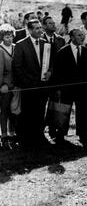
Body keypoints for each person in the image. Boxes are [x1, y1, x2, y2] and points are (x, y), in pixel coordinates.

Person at [13, 19, 53, 147]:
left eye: (40, 27)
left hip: (43, 86)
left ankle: (39, 136)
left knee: (40, 112)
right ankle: (26, 140)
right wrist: (28, 83)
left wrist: (50, 72)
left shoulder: (45, 43)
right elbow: (17, 67)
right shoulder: (21, 44)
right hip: (28, 87)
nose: (40, 30)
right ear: (29, 30)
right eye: (36, 28)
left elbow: (51, 62)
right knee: (28, 113)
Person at [51, 29, 87, 143]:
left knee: (82, 111)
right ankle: (60, 135)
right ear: (72, 37)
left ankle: (82, 133)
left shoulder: (86, 51)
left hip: (82, 89)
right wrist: (58, 88)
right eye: (79, 35)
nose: (82, 37)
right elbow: (57, 72)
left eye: (82, 35)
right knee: (64, 111)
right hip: (66, 88)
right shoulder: (63, 51)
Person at [0, 24, 17, 150]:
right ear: (2, 37)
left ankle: (12, 135)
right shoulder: (0, 50)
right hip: (4, 86)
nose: (9, 39)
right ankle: (4, 136)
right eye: (7, 37)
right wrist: (1, 85)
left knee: (14, 111)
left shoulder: (16, 48)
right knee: (4, 111)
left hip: (15, 85)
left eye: (11, 36)